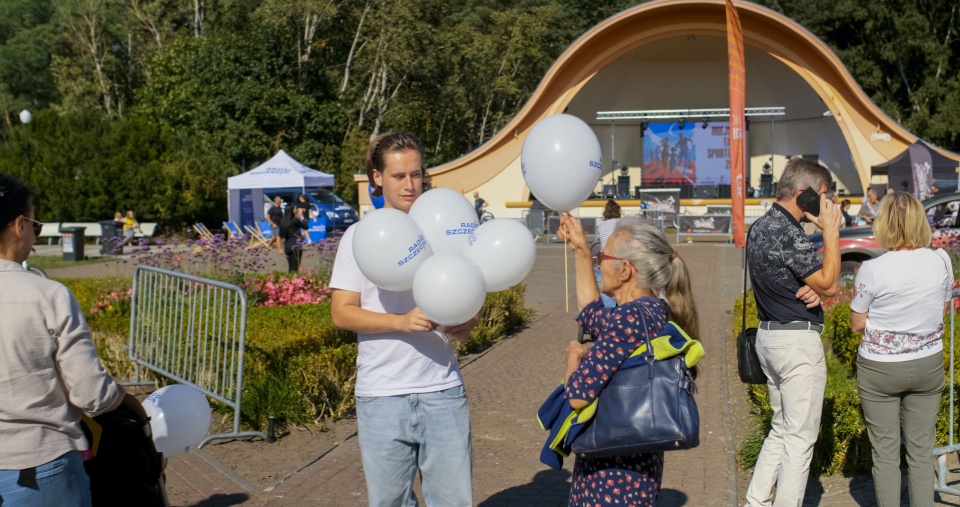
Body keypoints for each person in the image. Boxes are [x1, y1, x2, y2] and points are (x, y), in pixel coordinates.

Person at [329, 132, 478, 506]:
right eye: (399, 176)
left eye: (416, 174)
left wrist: (467, 322)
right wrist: (400, 322)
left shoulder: (443, 227)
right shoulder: (359, 237)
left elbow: (466, 302)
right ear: (376, 177)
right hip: (381, 395)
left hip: (442, 391)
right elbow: (341, 312)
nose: (410, 185)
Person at [0, 174, 137, 506]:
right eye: (35, 225)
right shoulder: (48, 295)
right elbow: (91, 393)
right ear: (20, 225)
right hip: (39, 463)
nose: (34, 234)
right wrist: (130, 403)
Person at [556, 214, 700, 506]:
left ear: (625, 271)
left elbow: (578, 397)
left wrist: (574, 357)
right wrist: (581, 250)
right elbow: (591, 313)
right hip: (635, 464)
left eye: (603, 256)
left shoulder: (629, 317)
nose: (599, 262)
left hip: (612, 476)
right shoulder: (651, 310)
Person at [744, 157, 842, 507]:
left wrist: (815, 286)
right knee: (800, 441)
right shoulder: (788, 232)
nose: (826, 204)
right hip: (796, 344)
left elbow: (804, 280)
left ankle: (755, 502)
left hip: (769, 337)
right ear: (802, 194)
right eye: (823, 196)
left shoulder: (760, 227)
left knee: (782, 429)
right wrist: (831, 231)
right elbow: (830, 283)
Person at [849, 192, 953, 507]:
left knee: (885, 453)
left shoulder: (872, 269)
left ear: (884, 224)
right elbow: (943, 310)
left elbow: (856, 323)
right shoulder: (940, 260)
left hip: (880, 368)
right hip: (927, 363)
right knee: (921, 453)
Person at [594, 199, 621, 307]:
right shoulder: (622, 223)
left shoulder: (601, 226)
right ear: (618, 211)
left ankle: (609, 314)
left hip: (603, 260)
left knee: (605, 291)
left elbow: (599, 241)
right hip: (618, 259)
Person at [281, 197, 308, 273]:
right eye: (295, 209)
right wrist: (301, 216)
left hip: (287, 246)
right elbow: (306, 226)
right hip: (295, 245)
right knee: (295, 268)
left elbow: (281, 235)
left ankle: (289, 282)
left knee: (290, 268)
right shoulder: (295, 220)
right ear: (292, 211)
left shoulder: (283, 221)